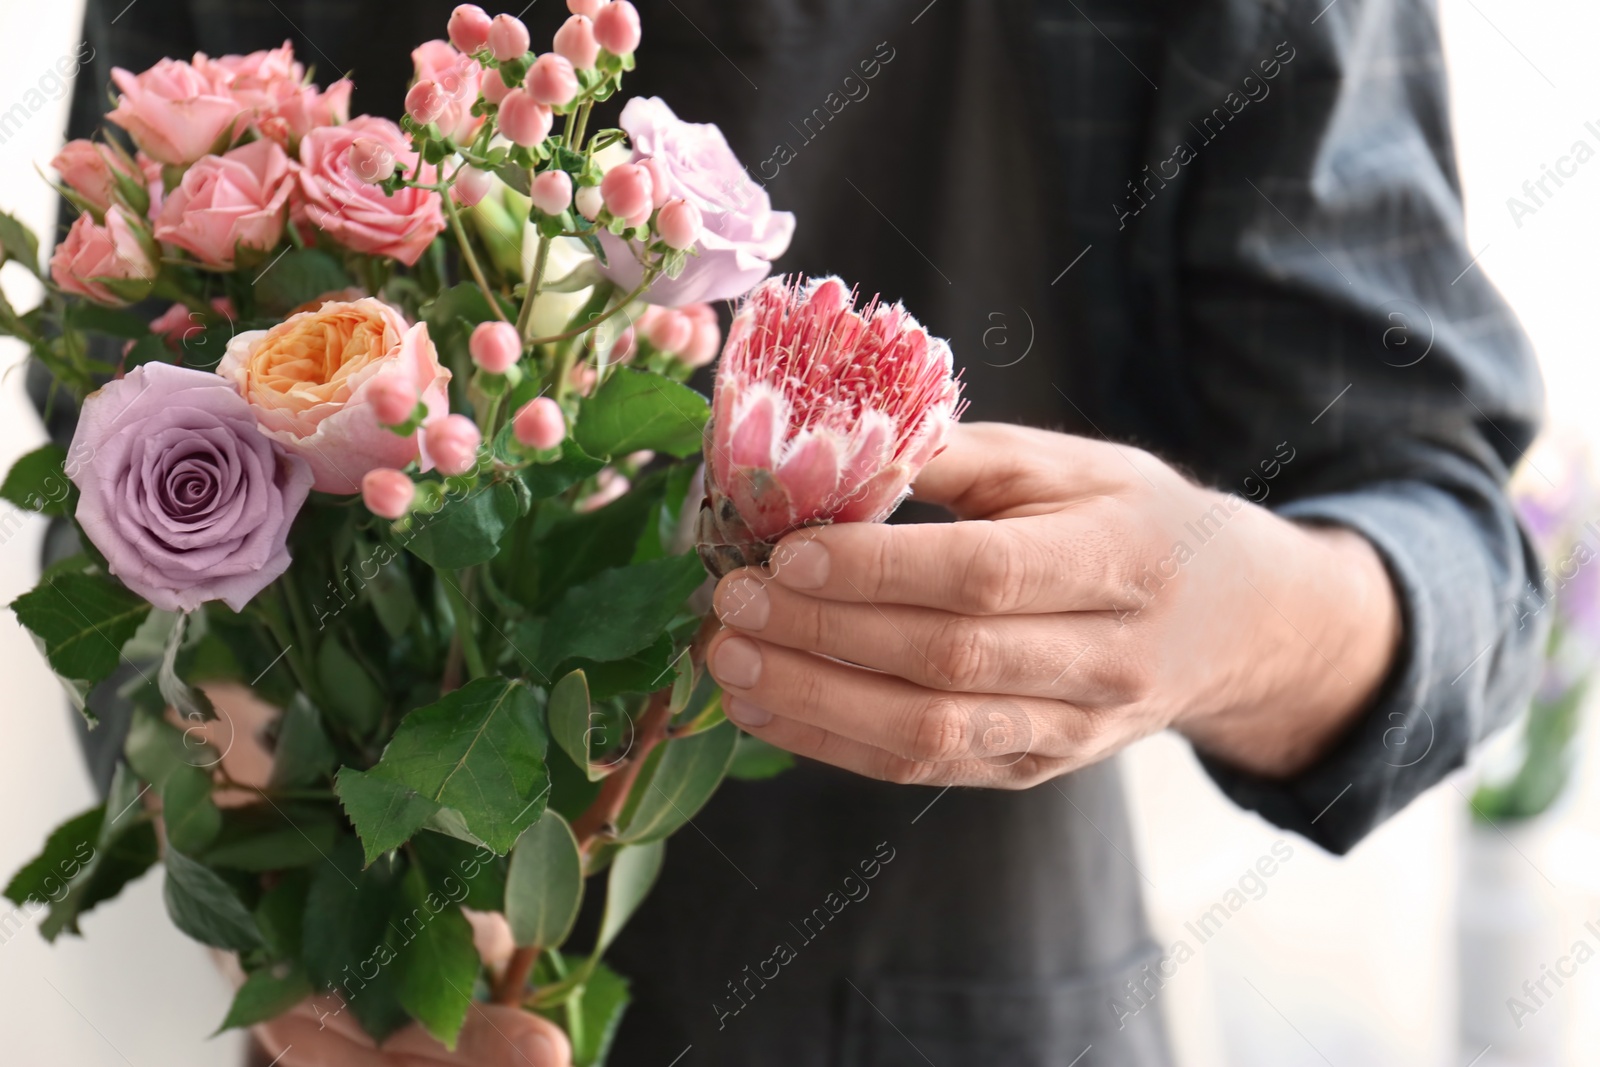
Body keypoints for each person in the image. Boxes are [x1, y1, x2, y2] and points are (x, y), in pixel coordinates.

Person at [50, 0, 1545, 1064]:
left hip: (964, 1005)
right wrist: (273, 875)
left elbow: (1451, 535)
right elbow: (110, 478)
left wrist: (1221, 619)